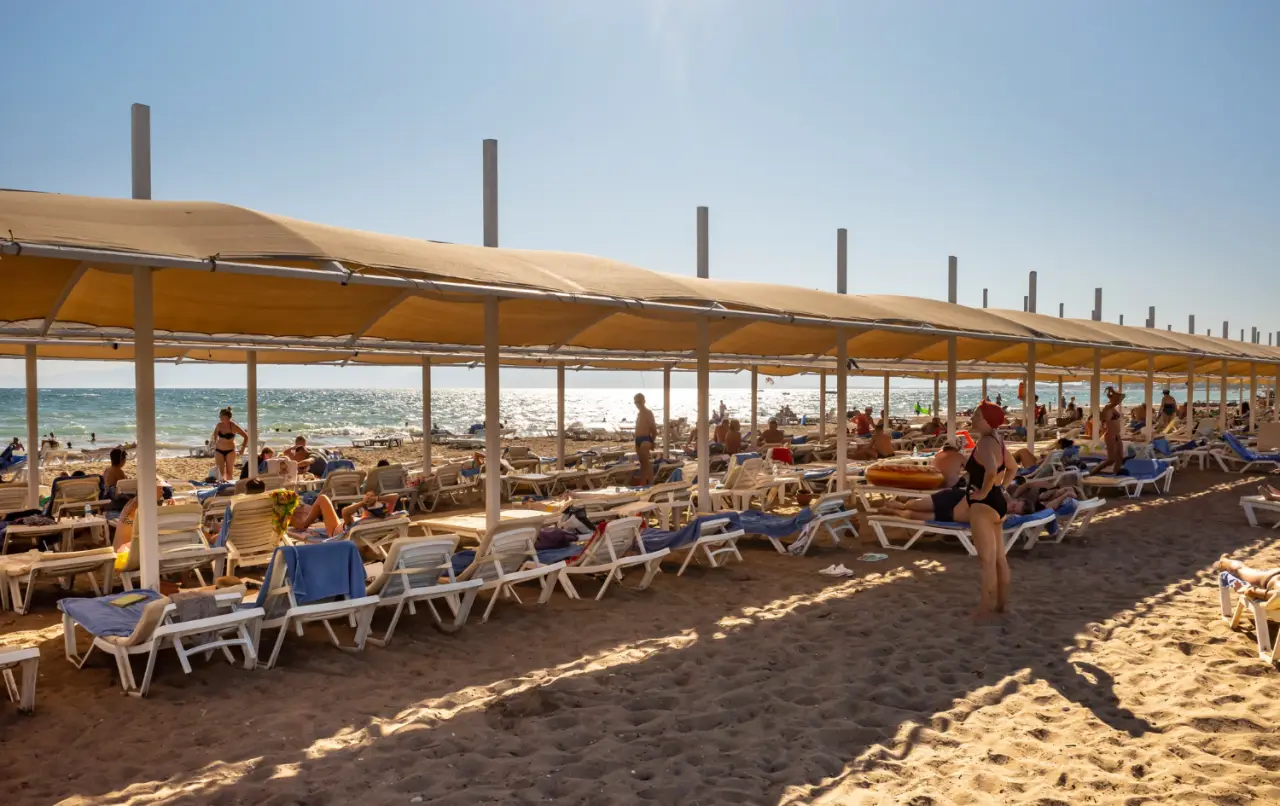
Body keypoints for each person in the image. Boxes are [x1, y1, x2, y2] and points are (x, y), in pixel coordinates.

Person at [967, 401, 1011, 621]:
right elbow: (1012, 467)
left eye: (976, 415)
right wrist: (1000, 488)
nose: (972, 418)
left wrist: (983, 493)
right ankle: (1001, 604)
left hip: (983, 506)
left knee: (986, 561)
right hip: (998, 502)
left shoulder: (985, 442)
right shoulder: (998, 440)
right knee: (1000, 559)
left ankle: (983, 611)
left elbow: (992, 470)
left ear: (985, 420)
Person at [291, 490, 400, 540]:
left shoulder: (356, 523)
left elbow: (345, 512)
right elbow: (395, 496)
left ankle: (303, 525)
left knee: (322, 498)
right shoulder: (385, 515)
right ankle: (307, 522)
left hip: (334, 532)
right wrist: (377, 499)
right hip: (343, 527)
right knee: (317, 523)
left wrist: (363, 502)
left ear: (367, 508)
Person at [1092, 388, 1127, 475]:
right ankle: (1092, 473)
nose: (1116, 399)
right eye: (1113, 397)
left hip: (1117, 435)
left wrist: (1113, 392)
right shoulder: (1108, 408)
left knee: (1120, 457)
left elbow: (1123, 396)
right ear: (1110, 399)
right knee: (1111, 459)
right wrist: (1113, 392)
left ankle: (1116, 474)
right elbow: (1121, 397)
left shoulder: (1113, 409)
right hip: (1110, 435)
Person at [211, 407, 248, 482]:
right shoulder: (219, 425)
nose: (219, 417)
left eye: (221, 416)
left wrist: (242, 449)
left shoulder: (234, 426)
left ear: (226, 416)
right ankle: (221, 487)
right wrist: (215, 443)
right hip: (219, 450)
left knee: (229, 472)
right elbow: (215, 435)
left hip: (230, 451)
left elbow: (246, 436)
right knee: (221, 472)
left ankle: (229, 486)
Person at [633, 393, 657, 485]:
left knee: (646, 462)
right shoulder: (639, 414)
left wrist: (653, 441)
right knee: (642, 463)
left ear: (644, 401)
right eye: (635, 402)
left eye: (639, 402)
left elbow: (653, 428)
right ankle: (643, 483)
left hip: (646, 438)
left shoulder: (648, 413)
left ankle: (651, 482)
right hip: (638, 439)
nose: (637, 404)